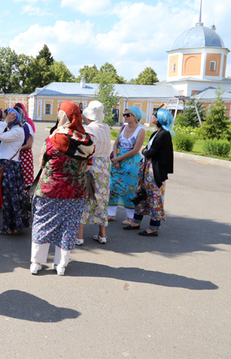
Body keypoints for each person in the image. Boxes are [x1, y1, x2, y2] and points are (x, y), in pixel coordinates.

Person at [30, 101, 94, 276]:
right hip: (76, 192)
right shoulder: (88, 141)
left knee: (42, 223)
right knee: (68, 226)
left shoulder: (53, 138)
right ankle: (61, 265)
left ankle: (36, 263)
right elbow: (89, 167)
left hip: (50, 190)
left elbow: (42, 162)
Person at [125, 108, 174, 236]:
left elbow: (150, 151)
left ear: (159, 118)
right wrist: (146, 152)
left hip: (155, 172)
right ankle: (136, 222)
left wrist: (146, 152)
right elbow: (146, 149)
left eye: (154, 115)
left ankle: (153, 228)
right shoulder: (156, 133)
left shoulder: (164, 134)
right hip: (148, 170)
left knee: (155, 198)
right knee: (142, 194)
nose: (152, 116)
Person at [76, 101, 112, 245]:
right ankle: (102, 234)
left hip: (90, 164)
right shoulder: (107, 127)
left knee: (84, 198)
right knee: (101, 198)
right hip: (104, 165)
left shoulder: (87, 129)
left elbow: (84, 149)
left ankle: (79, 236)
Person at [0, 108, 29, 235]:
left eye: (5, 117)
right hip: (7, 166)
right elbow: (2, 149)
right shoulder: (11, 130)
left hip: (11, 168)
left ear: (13, 118)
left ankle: (12, 227)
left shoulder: (18, 131)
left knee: (11, 198)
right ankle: (10, 226)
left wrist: (4, 122)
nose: (3, 120)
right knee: (9, 198)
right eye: (3, 118)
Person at [108, 106, 146, 225]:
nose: (125, 117)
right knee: (113, 187)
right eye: (124, 114)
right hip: (117, 160)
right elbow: (116, 143)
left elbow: (135, 150)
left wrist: (118, 158)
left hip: (131, 163)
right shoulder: (123, 127)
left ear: (135, 117)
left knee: (130, 189)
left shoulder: (140, 130)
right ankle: (111, 214)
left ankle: (130, 216)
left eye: (128, 115)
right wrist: (115, 158)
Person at [14, 103, 35, 188]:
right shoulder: (13, 126)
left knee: (25, 181)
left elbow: (29, 145)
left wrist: (15, 150)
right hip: (16, 155)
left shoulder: (26, 126)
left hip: (24, 156)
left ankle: (26, 200)